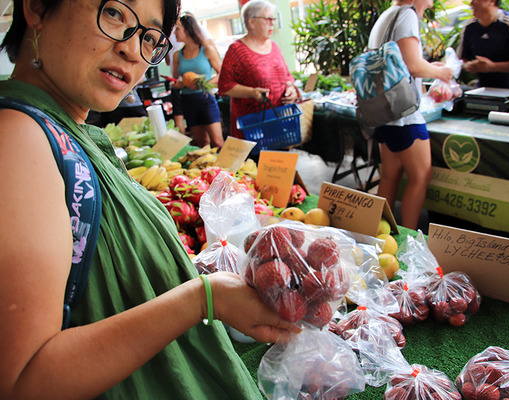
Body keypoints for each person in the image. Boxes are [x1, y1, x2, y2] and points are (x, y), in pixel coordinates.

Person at [0, 0, 300, 399]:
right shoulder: (18, 139)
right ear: (37, 7)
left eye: (150, 36)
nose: (131, 49)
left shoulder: (67, 131)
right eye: (113, 13)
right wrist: (202, 298)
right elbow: (25, 382)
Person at [368, 0, 453, 230]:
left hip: (383, 112)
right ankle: (408, 238)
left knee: (389, 177)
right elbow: (413, 66)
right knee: (420, 177)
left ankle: (378, 234)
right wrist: (442, 72)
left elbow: (402, 62)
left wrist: (430, 67)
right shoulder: (408, 15)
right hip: (404, 115)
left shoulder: (389, 14)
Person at [218, 0, 298, 140]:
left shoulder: (274, 46)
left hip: (278, 120)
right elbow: (224, 86)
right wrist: (252, 92)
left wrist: (290, 88)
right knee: (255, 161)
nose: (272, 22)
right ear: (252, 23)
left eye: (273, 19)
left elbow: (287, 75)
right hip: (251, 126)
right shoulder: (236, 50)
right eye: (267, 19)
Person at [172, 13, 224, 148]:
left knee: (218, 142)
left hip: (206, 98)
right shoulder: (177, 55)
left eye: (177, 29)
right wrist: (180, 84)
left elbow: (222, 74)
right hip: (187, 101)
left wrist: (201, 84)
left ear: (187, 29)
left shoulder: (207, 49)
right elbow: (175, 79)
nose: (175, 33)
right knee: (202, 144)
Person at [457, 0, 509, 90]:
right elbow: (461, 59)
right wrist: (468, 65)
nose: (472, 4)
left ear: (491, 1)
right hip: (485, 89)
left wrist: (493, 67)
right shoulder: (469, 27)